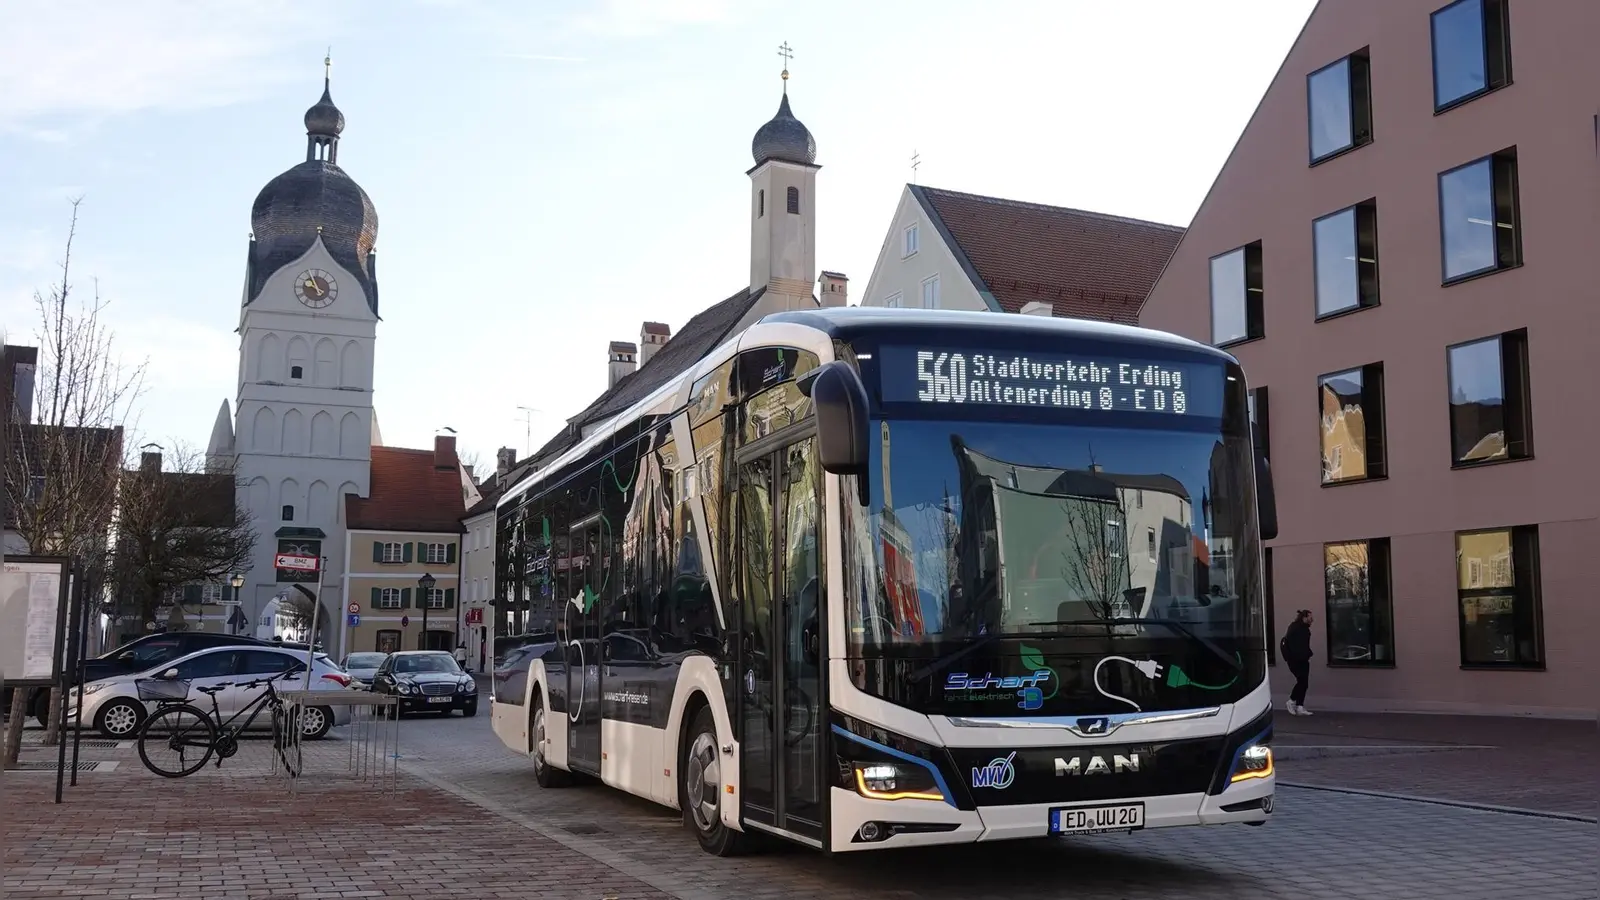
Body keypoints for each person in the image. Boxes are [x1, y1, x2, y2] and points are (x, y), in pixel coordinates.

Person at [1279, 609, 1314, 716]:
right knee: (1302, 681)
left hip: (1302, 659)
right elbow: (1296, 645)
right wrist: (1301, 655)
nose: (1312, 620)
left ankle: (1299, 706)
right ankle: (1291, 701)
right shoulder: (1296, 628)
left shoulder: (1303, 628)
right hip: (1296, 660)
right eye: (1310, 617)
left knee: (1304, 683)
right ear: (1304, 617)